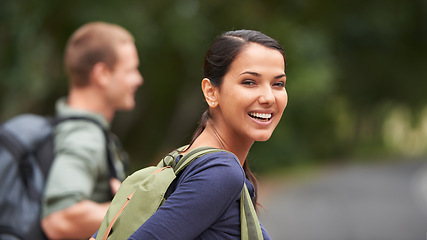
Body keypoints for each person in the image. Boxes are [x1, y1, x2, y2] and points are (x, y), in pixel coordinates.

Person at [125, 29, 287, 239]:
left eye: (278, 84)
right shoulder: (219, 173)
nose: (268, 97)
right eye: (249, 82)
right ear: (211, 92)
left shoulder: (184, 158)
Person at [41, 22, 143, 240]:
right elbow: (59, 219)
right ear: (102, 74)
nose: (138, 79)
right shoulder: (84, 136)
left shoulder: (75, 127)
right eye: (131, 70)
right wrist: (132, 205)